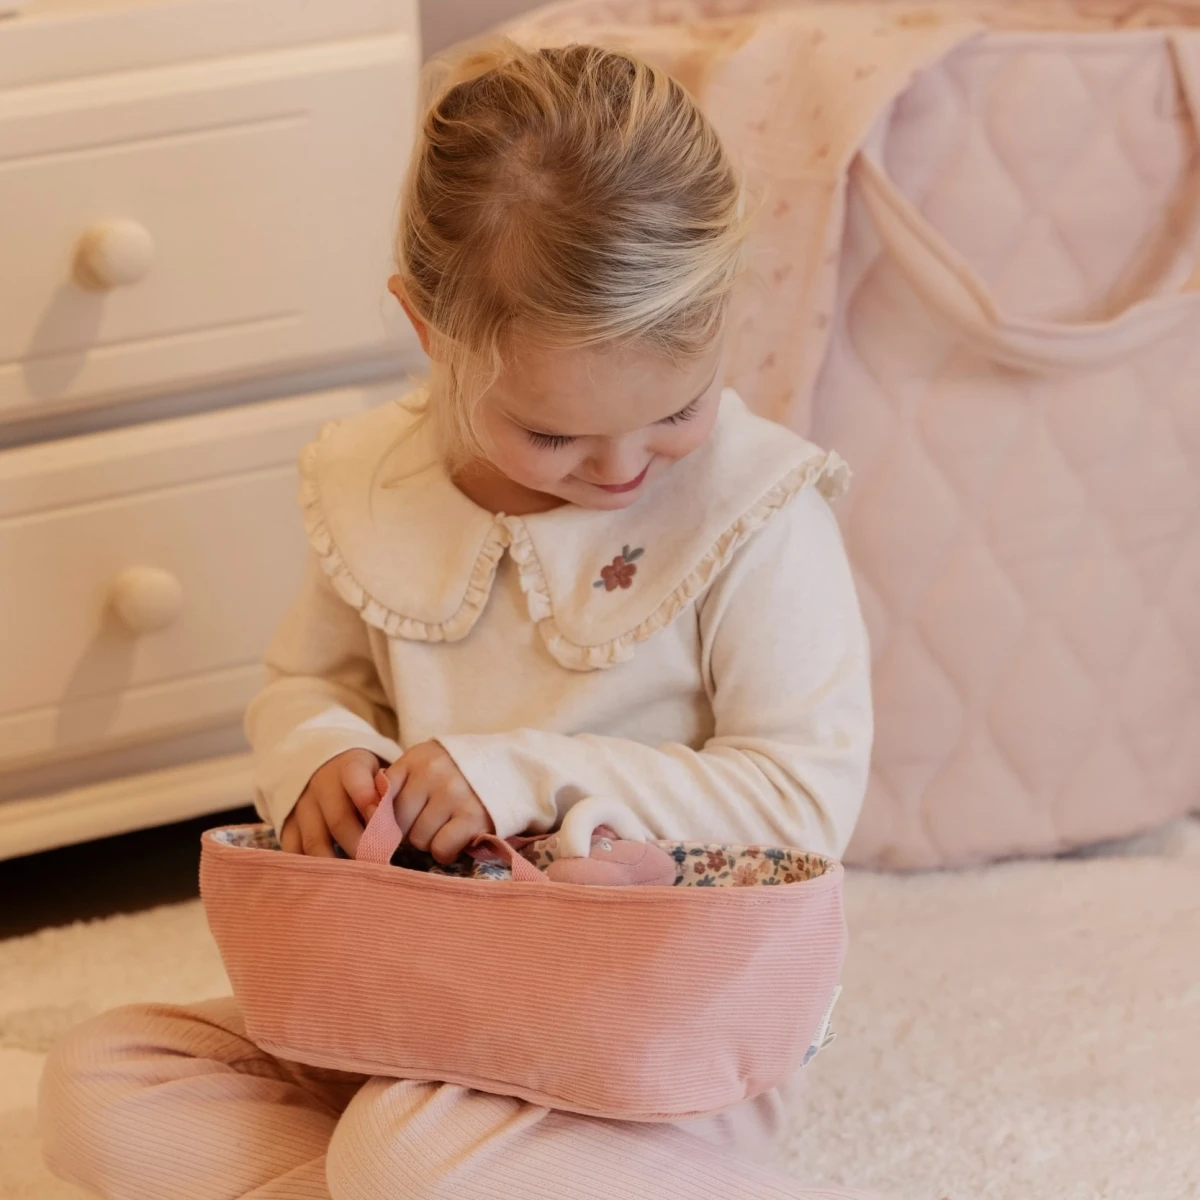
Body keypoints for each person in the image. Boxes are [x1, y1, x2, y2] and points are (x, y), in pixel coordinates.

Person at [40, 41, 875, 1200]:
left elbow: (800, 805)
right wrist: (324, 756)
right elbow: (311, 686)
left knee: (404, 1149)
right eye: (555, 434)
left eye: (677, 409)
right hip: (411, 986)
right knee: (99, 1082)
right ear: (429, 329)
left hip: (656, 1016)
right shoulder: (373, 486)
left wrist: (517, 775)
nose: (623, 468)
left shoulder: (756, 511)